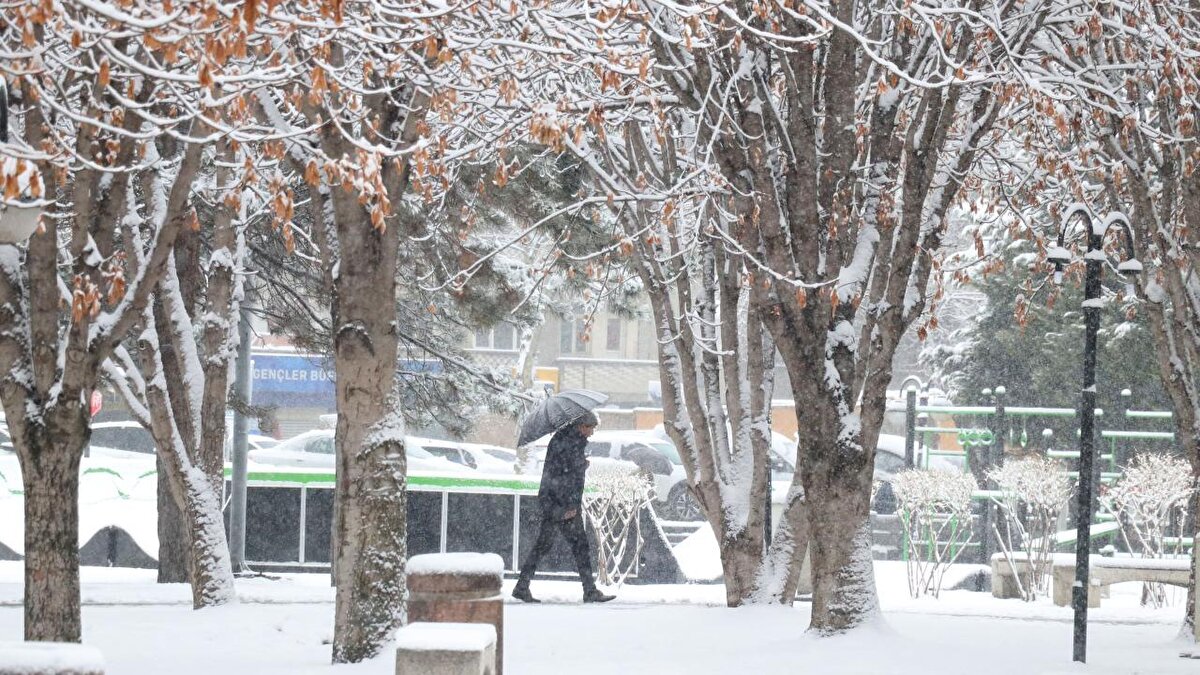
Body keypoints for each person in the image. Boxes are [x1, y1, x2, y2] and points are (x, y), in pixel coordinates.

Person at [512, 411, 615, 604]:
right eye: (590, 428)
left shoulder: (566, 440)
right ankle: (589, 591)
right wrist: (568, 506)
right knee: (579, 546)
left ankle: (522, 586)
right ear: (581, 426)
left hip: (554, 501)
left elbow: (562, 470)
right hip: (561, 503)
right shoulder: (569, 443)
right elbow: (564, 476)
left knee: (545, 545)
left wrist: (580, 464)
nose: (591, 433)